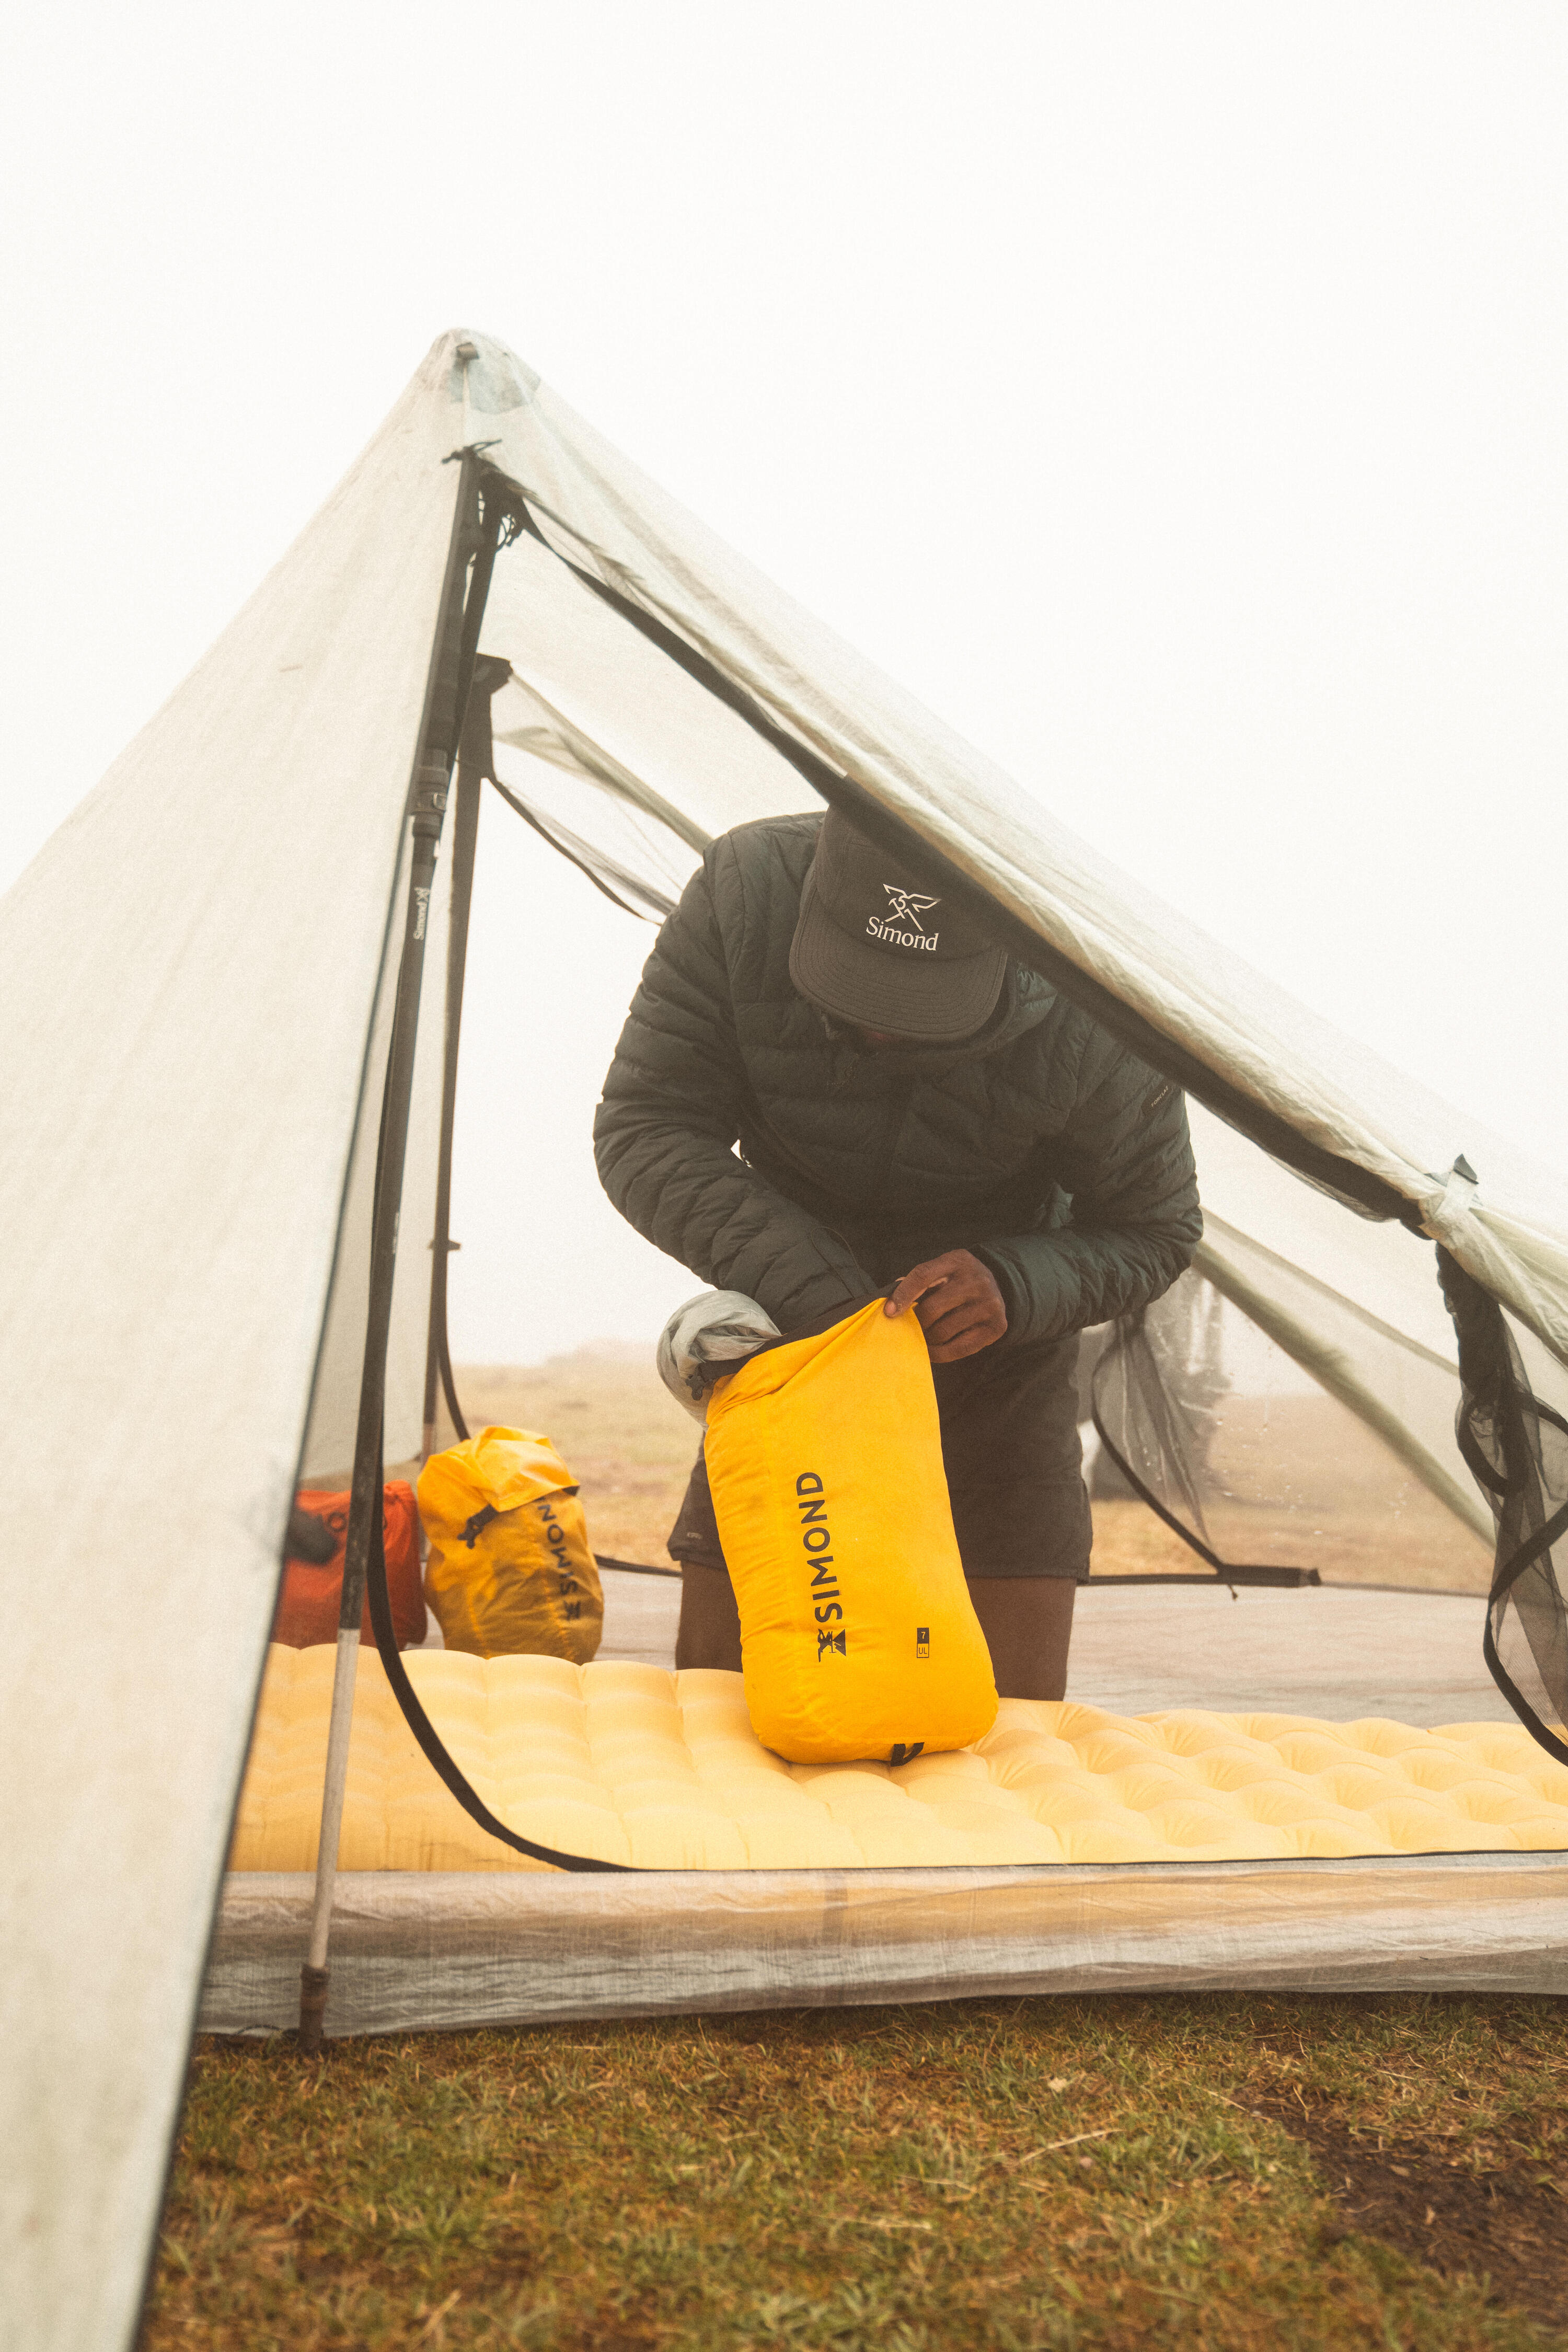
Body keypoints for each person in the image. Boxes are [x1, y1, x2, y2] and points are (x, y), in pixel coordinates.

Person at [594, 808, 1201, 1699]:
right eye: (855, 992)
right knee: (723, 1711)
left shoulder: (1094, 986)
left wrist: (1014, 1285)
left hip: (995, 1351)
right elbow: (647, 1125)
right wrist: (824, 1297)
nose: (881, 1032)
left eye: (920, 1008)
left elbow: (1156, 1226)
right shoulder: (747, 890)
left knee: (1009, 1726)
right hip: (796, 1343)